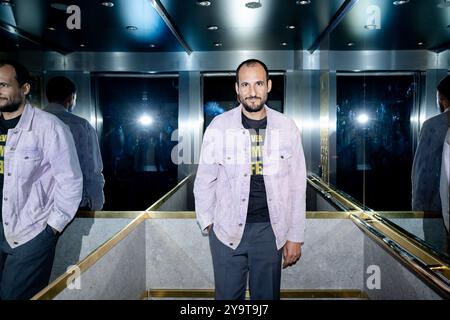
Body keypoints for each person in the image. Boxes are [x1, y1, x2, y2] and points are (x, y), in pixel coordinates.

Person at [194, 59, 306, 300]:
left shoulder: (287, 128)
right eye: (245, 84)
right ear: (237, 88)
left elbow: (297, 185)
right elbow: (205, 180)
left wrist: (295, 236)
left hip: (270, 232)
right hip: (226, 231)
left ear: (269, 85)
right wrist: (209, 224)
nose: (252, 92)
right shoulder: (219, 127)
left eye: (258, 84)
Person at [0, 60, 82, 299]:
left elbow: (71, 181)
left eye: (4, 85)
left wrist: (51, 230)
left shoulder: (49, 127)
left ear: (25, 89)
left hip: (29, 232)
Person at [44, 76, 105, 211]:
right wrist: (96, 204)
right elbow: (92, 169)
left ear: (47, 96)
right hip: (73, 205)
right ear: (71, 98)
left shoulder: (29, 123)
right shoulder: (81, 126)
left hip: (37, 208)